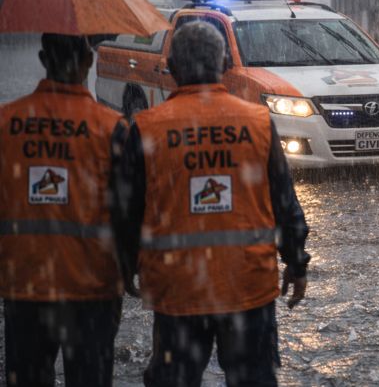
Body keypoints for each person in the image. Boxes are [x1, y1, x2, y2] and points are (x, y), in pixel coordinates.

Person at [111, 21, 310, 387]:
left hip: (177, 291)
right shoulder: (258, 122)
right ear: (223, 63)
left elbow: (127, 210)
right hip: (248, 288)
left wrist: (126, 265)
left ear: (171, 67)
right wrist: (296, 262)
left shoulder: (147, 127)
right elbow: (284, 200)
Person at [0, 34, 123, 387]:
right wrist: (127, 272)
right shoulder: (111, 128)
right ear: (89, 61)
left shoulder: (7, 122)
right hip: (92, 288)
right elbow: (128, 210)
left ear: (42, 58)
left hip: (24, 285)